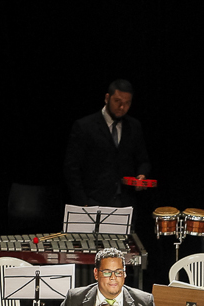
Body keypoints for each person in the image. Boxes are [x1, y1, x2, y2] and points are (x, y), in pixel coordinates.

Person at [63, 78, 151, 209]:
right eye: (117, 101)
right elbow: (72, 168)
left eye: (127, 103)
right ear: (107, 98)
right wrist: (82, 202)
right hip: (93, 200)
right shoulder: (85, 126)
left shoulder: (134, 126)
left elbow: (144, 160)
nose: (122, 107)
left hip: (125, 202)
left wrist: (142, 175)